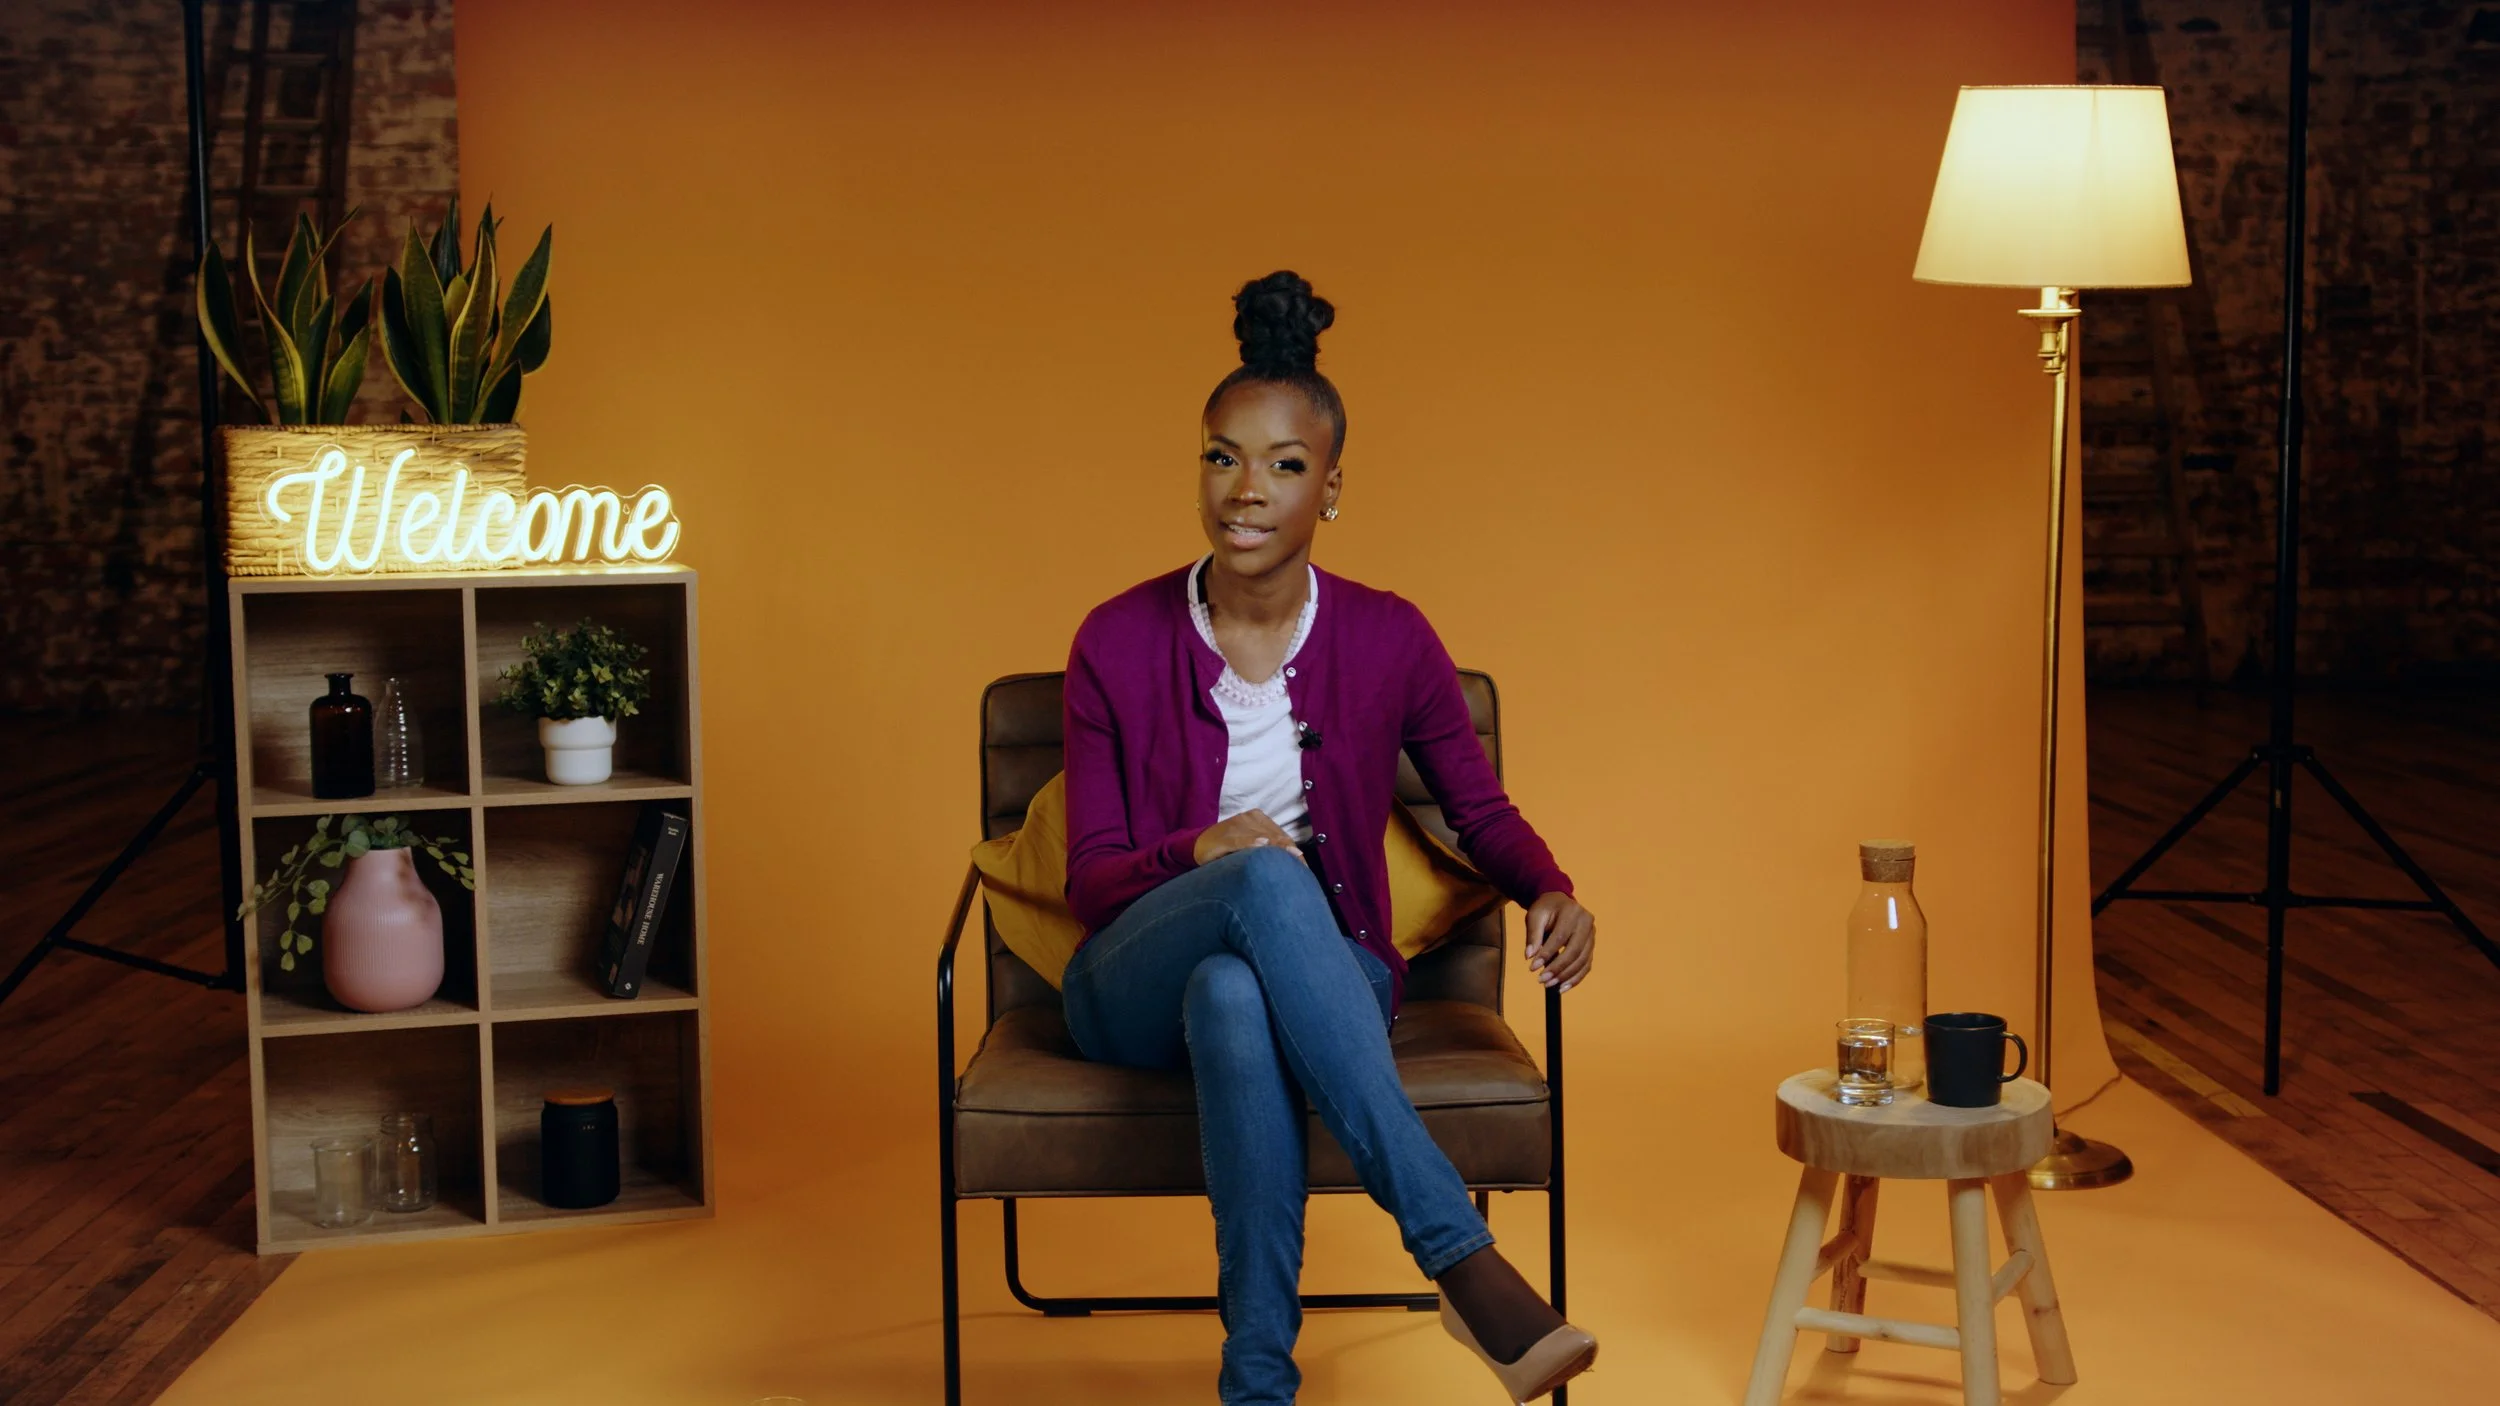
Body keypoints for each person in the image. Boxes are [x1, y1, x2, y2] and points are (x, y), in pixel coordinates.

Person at [1057, 270, 1599, 1405]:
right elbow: (1096, 879)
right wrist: (1202, 850)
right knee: (1246, 891)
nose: (1244, 490)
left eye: (1284, 465)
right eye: (1221, 455)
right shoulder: (1113, 638)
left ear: (1331, 486)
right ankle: (1459, 1255)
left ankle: (1256, 1382)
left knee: (1235, 993)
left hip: (1317, 973)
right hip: (1122, 979)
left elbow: (1475, 807)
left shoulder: (1391, 637)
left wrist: (1549, 885)